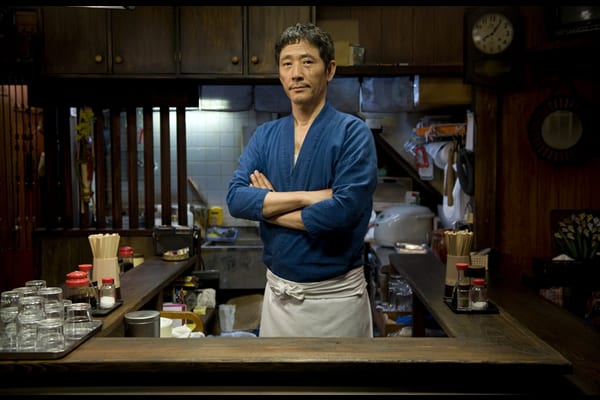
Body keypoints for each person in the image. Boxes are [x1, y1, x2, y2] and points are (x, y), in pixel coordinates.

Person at [226, 22, 378, 337]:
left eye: (307, 62)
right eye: (287, 64)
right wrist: (310, 197)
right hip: (278, 301)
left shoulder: (352, 133)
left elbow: (341, 214)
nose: (296, 73)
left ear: (330, 70)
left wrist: (267, 209)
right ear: (280, 73)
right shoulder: (266, 135)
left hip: (337, 302)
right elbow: (236, 199)